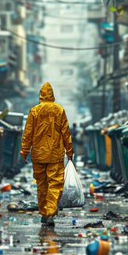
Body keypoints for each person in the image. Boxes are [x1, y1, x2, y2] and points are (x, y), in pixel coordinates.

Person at [20, 82, 73, 226]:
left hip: (38, 154)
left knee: (41, 184)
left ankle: (44, 212)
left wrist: (24, 151)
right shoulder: (59, 110)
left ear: (40, 95)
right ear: (52, 95)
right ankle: (50, 212)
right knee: (55, 184)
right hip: (55, 154)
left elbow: (28, 133)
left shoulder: (35, 111)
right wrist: (69, 151)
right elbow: (66, 133)